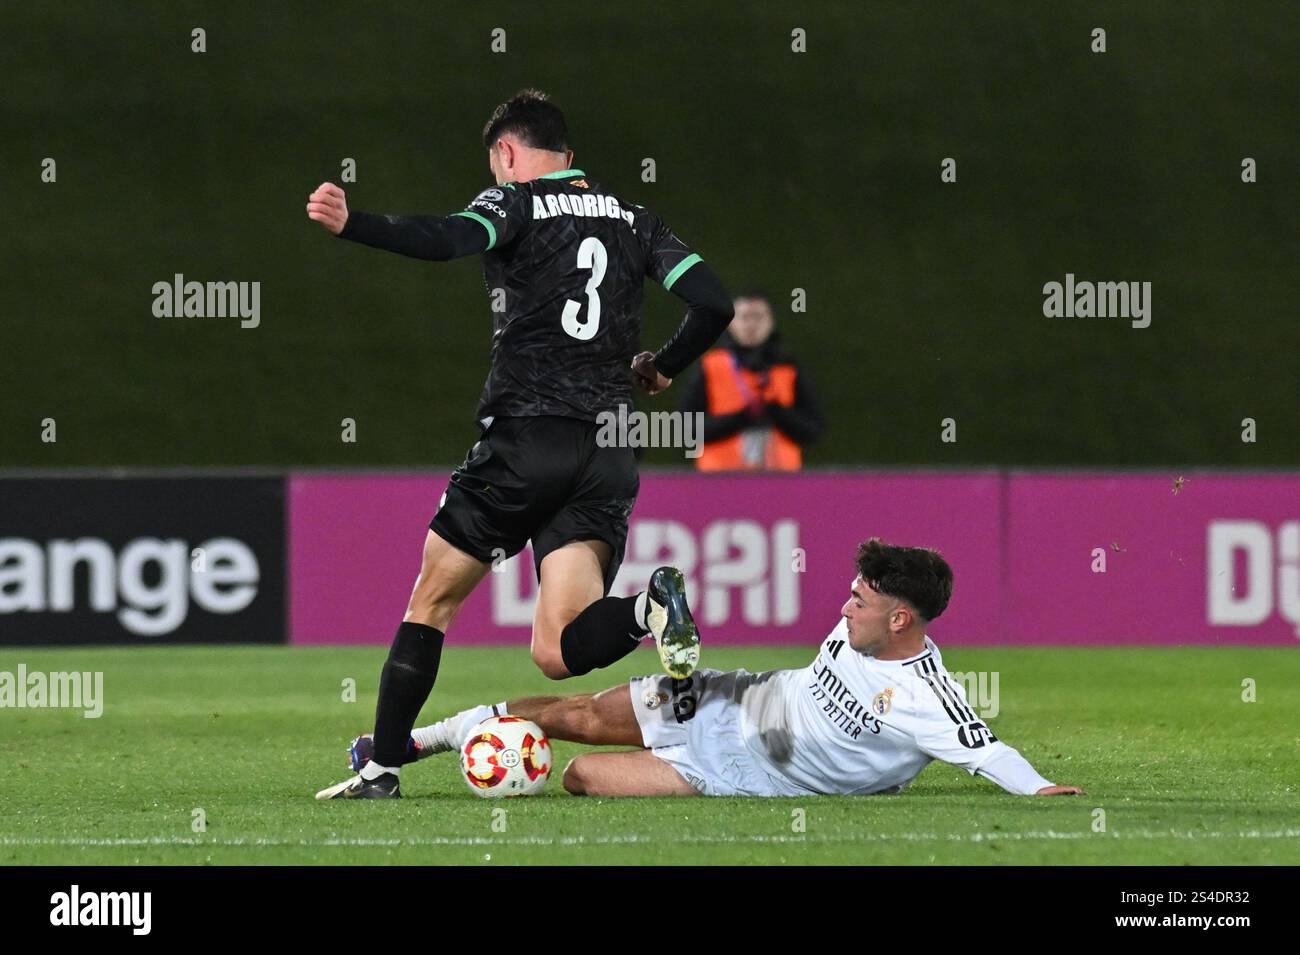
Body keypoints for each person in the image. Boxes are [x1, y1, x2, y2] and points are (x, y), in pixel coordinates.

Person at [305, 88, 734, 799]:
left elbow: (444, 238)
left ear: (508, 152)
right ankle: (646, 608)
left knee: (432, 599)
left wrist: (356, 224)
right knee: (556, 649)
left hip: (525, 440)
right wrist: (662, 364)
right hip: (607, 450)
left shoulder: (516, 203)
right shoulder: (635, 218)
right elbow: (713, 302)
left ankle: (379, 767)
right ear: (569, 155)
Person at [328, 539, 1084, 799]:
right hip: (733, 696)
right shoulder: (860, 631)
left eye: (862, 599)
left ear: (902, 620)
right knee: (578, 712)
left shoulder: (923, 693)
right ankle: (410, 743)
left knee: (579, 775)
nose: (845, 605)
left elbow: (985, 750)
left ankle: (472, 749)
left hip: (745, 774)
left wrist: (1044, 788)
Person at [679, 290, 822, 470]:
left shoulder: (788, 368)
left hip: (782, 481)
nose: (751, 324)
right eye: (744, 317)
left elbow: (813, 430)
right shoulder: (711, 366)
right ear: (730, 323)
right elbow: (686, 430)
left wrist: (776, 411)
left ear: (771, 322)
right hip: (720, 482)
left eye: (758, 317)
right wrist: (742, 417)